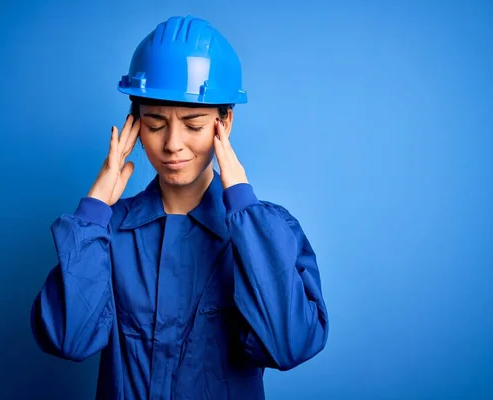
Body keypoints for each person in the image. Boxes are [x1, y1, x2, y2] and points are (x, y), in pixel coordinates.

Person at [30, 15, 329, 400]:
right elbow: (69, 340)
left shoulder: (267, 232)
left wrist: (240, 198)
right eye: (155, 124)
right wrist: (94, 208)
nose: (173, 144)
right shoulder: (106, 232)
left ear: (225, 124)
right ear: (135, 125)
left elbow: (289, 346)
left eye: (193, 124)